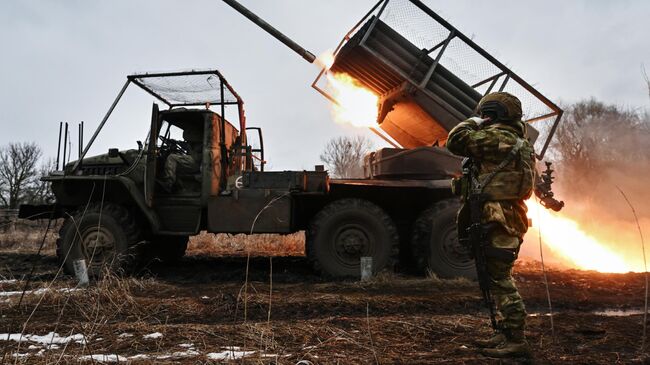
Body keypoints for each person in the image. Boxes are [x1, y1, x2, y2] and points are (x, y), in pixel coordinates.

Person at [446, 92, 536, 358]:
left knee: (500, 278)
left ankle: (517, 340)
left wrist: (474, 121)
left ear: (492, 114)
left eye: (487, 113)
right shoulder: (519, 141)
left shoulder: (499, 138)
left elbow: (455, 140)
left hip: (499, 217)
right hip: (504, 215)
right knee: (493, 276)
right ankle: (505, 333)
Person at [159, 127, 203, 193]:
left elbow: (195, 156)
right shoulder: (192, 143)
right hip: (195, 163)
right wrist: (175, 142)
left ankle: (168, 183)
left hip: (196, 163)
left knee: (172, 158)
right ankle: (178, 188)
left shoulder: (200, 144)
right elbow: (183, 144)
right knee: (174, 166)